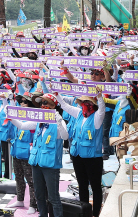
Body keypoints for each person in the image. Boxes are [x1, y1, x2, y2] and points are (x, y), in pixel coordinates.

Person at [10, 93, 68, 217]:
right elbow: (22, 125)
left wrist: (58, 119)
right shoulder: (38, 121)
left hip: (51, 165)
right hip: (36, 162)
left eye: (45, 103)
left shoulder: (58, 121)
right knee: (39, 194)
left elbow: (65, 136)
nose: (43, 105)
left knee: (53, 197)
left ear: (53, 105)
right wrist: (10, 116)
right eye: (41, 103)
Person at [58, 88, 105, 217]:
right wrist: (57, 95)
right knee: (82, 185)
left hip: (93, 158)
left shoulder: (97, 117)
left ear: (93, 105)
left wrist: (100, 97)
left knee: (95, 187)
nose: (85, 105)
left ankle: (95, 213)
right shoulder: (79, 113)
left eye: (88, 102)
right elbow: (65, 106)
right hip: (77, 156)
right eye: (83, 102)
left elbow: (102, 109)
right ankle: (84, 212)